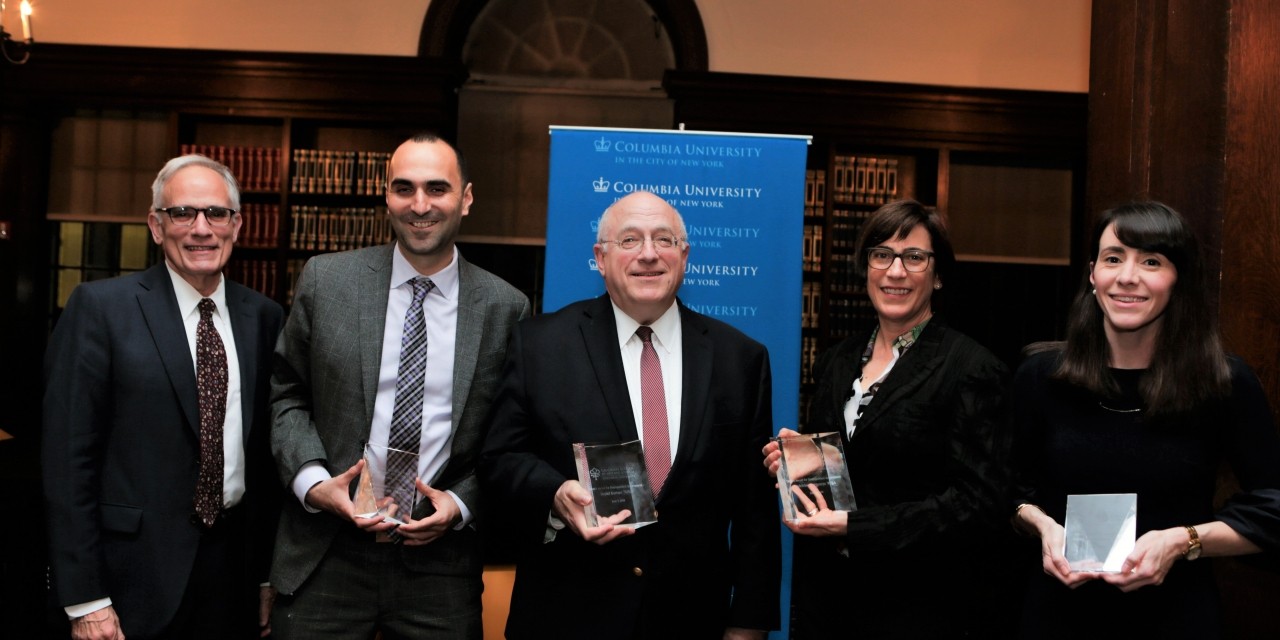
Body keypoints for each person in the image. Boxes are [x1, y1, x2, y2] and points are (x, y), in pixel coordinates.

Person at [479, 191, 779, 639]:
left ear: (684, 255)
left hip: (691, 619)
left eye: (663, 240)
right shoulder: (541, 344)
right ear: (600, 257)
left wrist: (749, 622)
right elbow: (498, 457)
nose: (648, 254)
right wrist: (555, 493)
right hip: (567, 613)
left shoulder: (740, 359)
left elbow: (755, 510)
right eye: (630, 240)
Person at [269, 134, 530, 639]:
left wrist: (461, 504)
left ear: (467, 198)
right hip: (326, 553)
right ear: (385, 196)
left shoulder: (505, 308)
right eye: (403, 188)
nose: (420, 205)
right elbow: (287, 394)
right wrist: (313, 484)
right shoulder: (327, 282)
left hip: (441, 565)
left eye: (437, 188)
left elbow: (509, 436)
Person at [1010, 200, 1280, 638]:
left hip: (1177, 616)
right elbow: (1008, 490)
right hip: (1057, 615)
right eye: (1113, 258)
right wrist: (1040, 524)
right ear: (1093, 274)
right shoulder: (1041, 376)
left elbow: (1273, 509)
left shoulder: (1222, 382)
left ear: (1178, 280)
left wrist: (1183, 541)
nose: (1128, 276)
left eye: (1151, 261)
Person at [42, 155, 284, 639]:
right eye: (183, 213)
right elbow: (68, 462)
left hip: (231, 576)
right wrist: (85, 598)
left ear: (237, 225)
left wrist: (265, 575)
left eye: (216, 213)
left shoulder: (265, 317)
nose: (201, 229)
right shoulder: (101, 309)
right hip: (129, 580)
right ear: (156, 225)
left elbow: (265, 463)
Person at [763, 199, 1013, 638]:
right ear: (866, 268)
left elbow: (978, 506)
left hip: (919, 608)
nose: (895, 271)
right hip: (829, 605)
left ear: (937, 275)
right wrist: (797, 463)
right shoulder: (836, 361)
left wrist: (855, 527)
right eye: (882, 255)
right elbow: (849, 468)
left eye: (914, 257)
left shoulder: (971, 367)